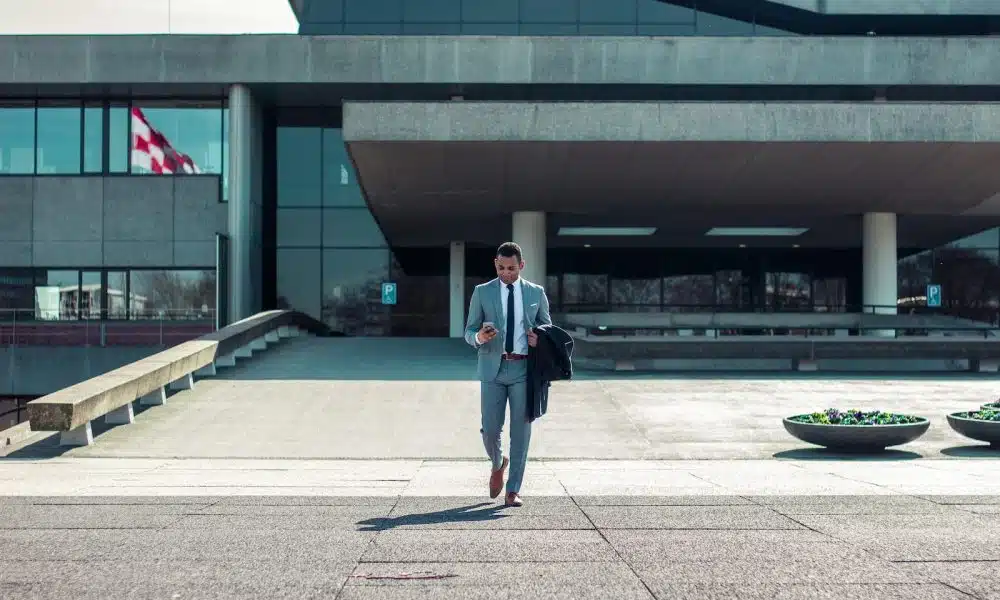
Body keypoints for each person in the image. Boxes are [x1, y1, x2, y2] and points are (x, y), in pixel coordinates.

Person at [464, 241, 552, 507]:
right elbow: (468, 332)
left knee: (521, 432)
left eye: (511, 268)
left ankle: (513, 490)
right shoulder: (482, 292)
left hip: (524, 369)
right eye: (501, 268)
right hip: (493, 368)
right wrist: (478, 336)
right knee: (490, 430)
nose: (506, 273)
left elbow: (548, 327)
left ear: (521, 265)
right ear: (495, 264)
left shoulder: (536, 292)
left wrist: (540, 338)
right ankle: (497, 461)